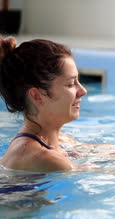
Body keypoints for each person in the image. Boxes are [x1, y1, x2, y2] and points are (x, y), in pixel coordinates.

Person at [0, 36, 87, 172]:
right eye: (70, 84)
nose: (83, 91)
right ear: (37, 96)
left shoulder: (60, 140)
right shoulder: (41, 156)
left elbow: (111, 155)